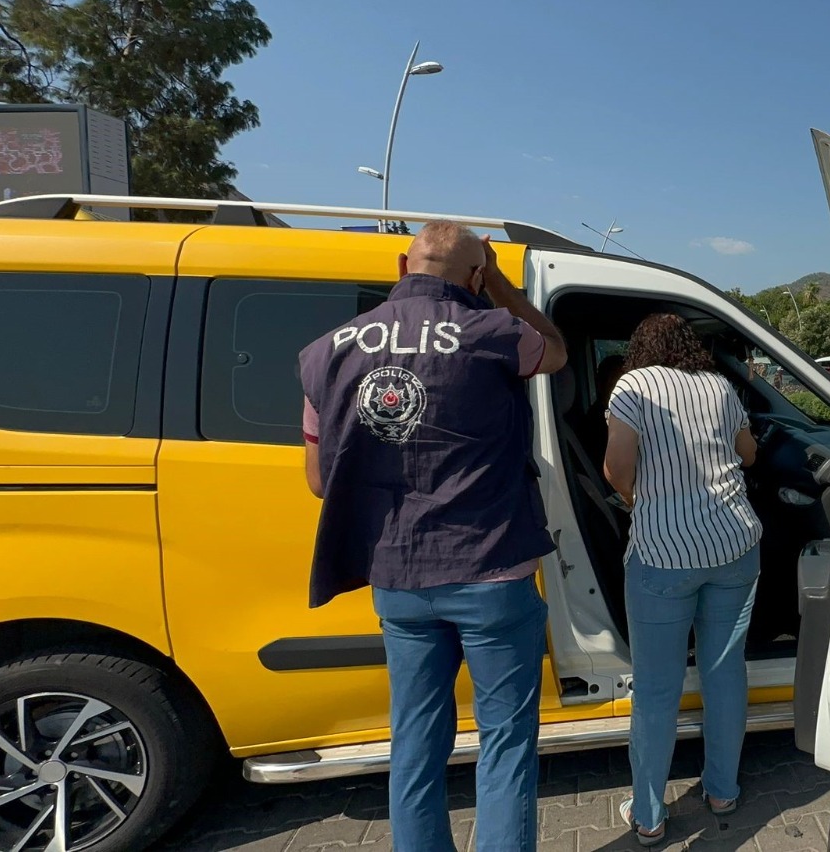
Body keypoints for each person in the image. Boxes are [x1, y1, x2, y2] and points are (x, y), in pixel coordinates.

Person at [298, 220, 567, 852]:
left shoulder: (324, 352)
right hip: (490, 569)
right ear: (477, 276)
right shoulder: (496, 332)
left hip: (397, 577)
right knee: (505, 742)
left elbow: (319, 480)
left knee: (415, 741)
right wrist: (502, 288)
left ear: (402, 265)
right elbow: (555, 349)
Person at [603, 313, 763, 847]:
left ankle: (649, 816)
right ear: (690, 346)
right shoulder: (719, 386)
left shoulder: (633, 386)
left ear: (641, 347)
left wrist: (641, 503)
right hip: (734, 544)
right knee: (725, 672)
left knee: (656, 688)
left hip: (663, 556)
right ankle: (722, 792)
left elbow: (616, 468)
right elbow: (748, 454)